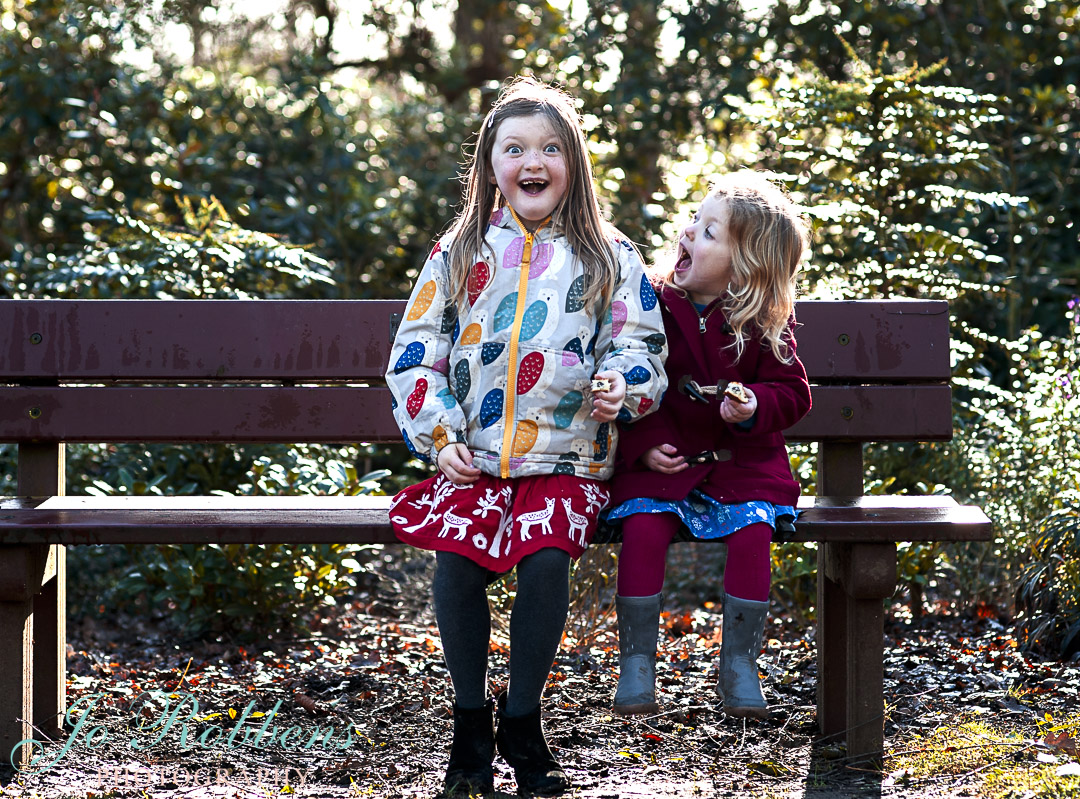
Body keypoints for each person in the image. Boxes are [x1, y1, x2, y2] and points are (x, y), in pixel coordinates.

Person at [385, 76, 667, 797]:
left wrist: (622, 385)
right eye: (514, 148)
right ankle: (470, 724)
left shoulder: (609, 255)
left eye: (548, 147)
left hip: (567, 460)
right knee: (457, 563)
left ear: (572, 163)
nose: (531, 161)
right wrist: (440, 433)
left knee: (545, 562)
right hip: (474, 460)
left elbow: (640, 344)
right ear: (490, 167)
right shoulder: (462, 249)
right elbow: (418, 348)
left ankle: (523, 719)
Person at [605, 171, 812, 720]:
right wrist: (646, 443)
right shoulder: (652, 302)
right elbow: (630, 377)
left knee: (753, 534)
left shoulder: (765, 321)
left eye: (709, 232)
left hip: (739, 467)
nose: (688, 233)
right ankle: (637, 663)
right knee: (643, 528)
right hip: (665, 465)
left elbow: (792, 393)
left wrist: (754, 408)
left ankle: (740, 665)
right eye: (694, 221)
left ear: (745, 266)